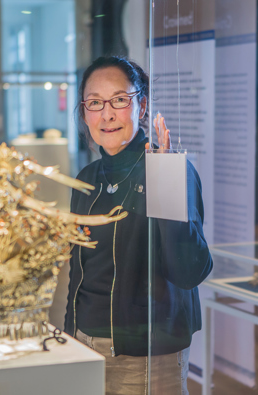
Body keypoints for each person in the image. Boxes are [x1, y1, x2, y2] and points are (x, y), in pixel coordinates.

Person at [64, 56, 213, 395]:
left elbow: (189, 271)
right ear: (84, 112)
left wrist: (165, 179)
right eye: (94, 102)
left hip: (148, 353)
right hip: (86, 347)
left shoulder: (168, 170)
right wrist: (70, 340)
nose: (107, 114)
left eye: (119, 100)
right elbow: (79, 274)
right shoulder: (86, 179)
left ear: (141, 105)